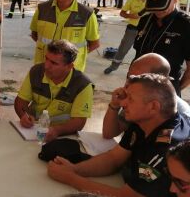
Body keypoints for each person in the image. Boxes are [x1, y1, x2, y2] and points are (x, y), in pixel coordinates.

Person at [48, 73, 190, 197]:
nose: (123, 103)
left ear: (153, 106)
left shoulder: (166, 146)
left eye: (130, 99)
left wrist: (71, 178)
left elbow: (127, 196)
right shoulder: (145, 121)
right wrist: (75, 169)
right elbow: (114, 159)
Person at [14, 40, 93, 142]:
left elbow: (79, 122)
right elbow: (21, 102)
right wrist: (23, 116)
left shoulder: (83, 85)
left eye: (54, 63)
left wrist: (57, 130)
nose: (46, 66)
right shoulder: (36, 71)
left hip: (63, 136)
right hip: (32, 132)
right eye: (46, 59)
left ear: (69, 66)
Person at [102, 53, 190, 139]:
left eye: (137, 79)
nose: (127, 84)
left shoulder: (177, 118)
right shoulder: (135, 99)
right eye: (129, 76)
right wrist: (114, 105)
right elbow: (108, 134)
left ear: (158, 82)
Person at [30, 0, 100, 72]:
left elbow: (94, 44)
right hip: (43, 67)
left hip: (71, 71)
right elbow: (34, 35)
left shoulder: (86, 14)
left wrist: (69, 57)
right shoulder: (42, 9)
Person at [133, 0, 190, 95]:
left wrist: (174, 91)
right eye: (154, 7)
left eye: (162, 7)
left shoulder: (186, 25)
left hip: (165, 95)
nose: (157, 12)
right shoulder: (144, 21)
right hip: (136, 89)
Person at [104, 0, 148, 74]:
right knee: (123, 49)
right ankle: (113, 66)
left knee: (143, 51)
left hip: (146, 31)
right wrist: (131, 16)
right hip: (132, 28)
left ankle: (140, 71)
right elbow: (122, 13)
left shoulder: (152, 2)